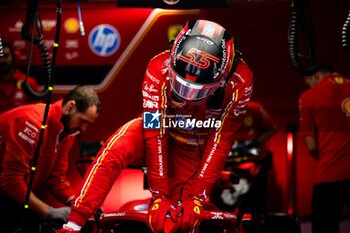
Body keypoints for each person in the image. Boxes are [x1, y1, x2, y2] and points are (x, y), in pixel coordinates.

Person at [58, 19, 253, 233]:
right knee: (118, 146)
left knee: (180, 222)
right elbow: (154, 132)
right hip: (161, 133)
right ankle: (73, 224)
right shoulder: (157, 67)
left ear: (223, 78)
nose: (188, 96)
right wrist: (159, 195)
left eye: (198, 90)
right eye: (180, 85)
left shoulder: (241, 82)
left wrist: (198, 197)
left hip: (196, 146)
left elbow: (221, 139)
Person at [0, 85, 101, 233]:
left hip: (14, 198)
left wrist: (77, 203)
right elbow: (10, 180)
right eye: (83, 121)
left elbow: (55, 178)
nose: (83, 129)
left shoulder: (68, 132)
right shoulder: (31, 123)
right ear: (70, 107)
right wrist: (50, 211)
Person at [298, 62, 350, 233]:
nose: (309, 85)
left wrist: (331, 158)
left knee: (324, 227)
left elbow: (311, 146)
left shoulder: (309, 96)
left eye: (309, 81)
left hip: (330, 173)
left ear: (316, 76)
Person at [0, 40, 40, 114]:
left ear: (14, 57)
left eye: (6, 56)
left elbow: (37, 112)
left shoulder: (28, 83)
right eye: (0, 57)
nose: (2, 60)